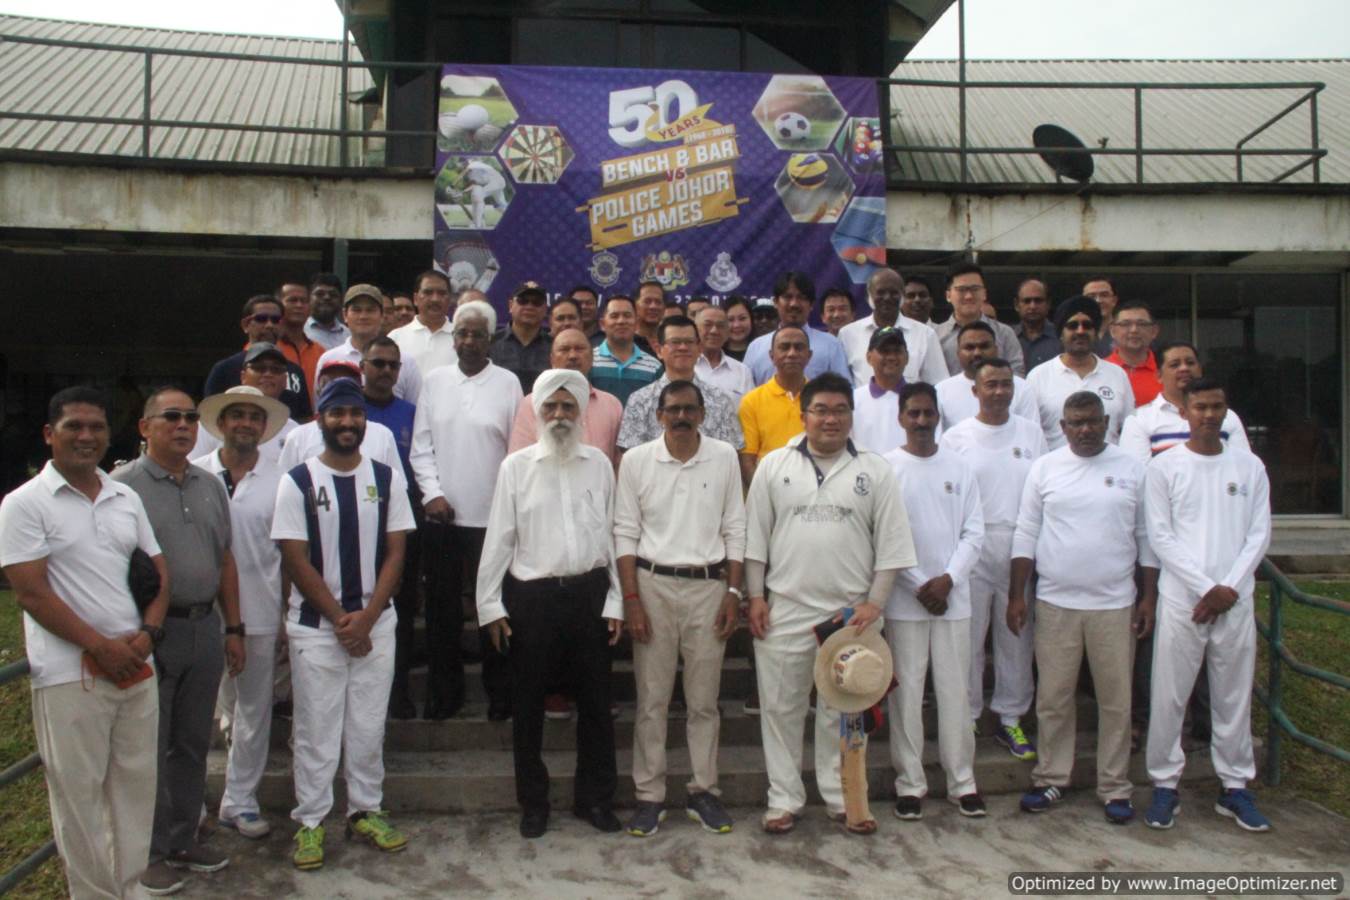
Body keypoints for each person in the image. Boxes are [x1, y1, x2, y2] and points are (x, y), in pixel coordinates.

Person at [0, 387, 168, 900]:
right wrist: (100, 646)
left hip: (136, 666)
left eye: (96, 427)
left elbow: (158, 571)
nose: (86, 436)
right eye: (73, 426)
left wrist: (147, 635)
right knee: (79, 800)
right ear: (49, 434)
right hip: (69, 675)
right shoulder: (24, 504)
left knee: (135, 790)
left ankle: (130, 888)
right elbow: (31, 592)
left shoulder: (124, 496)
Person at [744, 372, 917, 834]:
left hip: (851, 614)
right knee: (780, 709)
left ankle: (842, 798)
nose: (830, 419)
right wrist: (756, 596)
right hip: (785, 607)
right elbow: (754, 537)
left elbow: (893, 543)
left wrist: (875, 603)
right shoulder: (774, 464)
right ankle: (783, 799)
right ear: (804, 415)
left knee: (842, 712)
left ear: (851, 417)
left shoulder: (874, 470)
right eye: (820, 410)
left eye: (840, 410)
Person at [272, 378, 416, 870]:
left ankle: (365, 811)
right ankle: (311, 820)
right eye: (337, 414)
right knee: (316, 727)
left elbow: (397, 552)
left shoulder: (387, 478)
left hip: (376, 624)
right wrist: (340, 620)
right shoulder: (297, 481)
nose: (347, 422)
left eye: (355, 414)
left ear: (365, 421)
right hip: (317, 627)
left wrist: (368, 617)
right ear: (321, 420)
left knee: (368, 724)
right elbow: (295, 558)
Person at [476, 369, 625, 839]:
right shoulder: (516, 467)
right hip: (532, 600)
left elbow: (611, 535)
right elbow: (500, 538)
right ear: (538, 413)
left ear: (580, 413)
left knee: (596, 705)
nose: (559, 415)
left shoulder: (599, 464)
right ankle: (533, 804)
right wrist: (490, 605)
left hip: (589, 595)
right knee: (528, 707)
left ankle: (595, 800)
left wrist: (617, 600)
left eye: (568, 407)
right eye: (551, 407)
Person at [113, 388, 244, 893]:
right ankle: (148, 853)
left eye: (191, 417)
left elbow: (225, 558)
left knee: (191, 742)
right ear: (145, 427)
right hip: (152, 632)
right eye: (171, 417)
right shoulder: (122, 488)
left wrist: (233, 627)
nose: (184, 425)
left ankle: (184, 837)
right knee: (148, 744)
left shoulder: (210, 484)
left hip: (203, 627)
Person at [1008, 391, 1158, 824]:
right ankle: (1051, 777)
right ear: (1063, 427)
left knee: (1116, 702)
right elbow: (1026, 532)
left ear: (1107, 421)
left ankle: (1114, 786)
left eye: (1093, 421)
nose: (1086, 429)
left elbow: (1146, 537)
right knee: (1054, 698)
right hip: (1056, 602)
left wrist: (1148, 597)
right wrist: (1017, 594)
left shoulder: (1133, 469)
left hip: (1115, 604)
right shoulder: (1045, 468)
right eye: (1076, 423)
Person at [615, 380, 745, 837]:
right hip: (651, 585)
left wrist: (734, 593)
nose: (682, 417)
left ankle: (703, 790)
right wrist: (631, 600)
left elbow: (736, 528)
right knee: (651, 700)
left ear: (703, 414)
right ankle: (649, 796)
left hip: (709, 588)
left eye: (690, 409)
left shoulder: (724, 457)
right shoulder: (636, 461)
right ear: (659, 416)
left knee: (704, 701)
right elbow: (625, 533)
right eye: (673, 410)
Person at [1142, 377, 1272, 832]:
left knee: (1233, 695)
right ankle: (1164, 784)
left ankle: (1234, 786)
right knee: (1170, 694)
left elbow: (1259, 533)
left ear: (1226, 411)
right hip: (1184, 600)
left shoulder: (1249, 466)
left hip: (1234, 601)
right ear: (1185, 412)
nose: (1210, 415)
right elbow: (1160, 536)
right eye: (1201, 407)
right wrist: (1204, 588)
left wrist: (1227, 588)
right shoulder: (1164, 467)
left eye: (1217, 407)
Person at [411, 299, 522, 720]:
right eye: (462, 333)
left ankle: (501, 695)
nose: (469, 341)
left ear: (491, 339)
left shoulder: (508, 383)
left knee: (495, 608)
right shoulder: (434, 382)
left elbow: (517, 450)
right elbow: (421, 447)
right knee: (442, 611)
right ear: (453, 339)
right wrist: (431, 494)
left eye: (477, 334)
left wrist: (508, 507)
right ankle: (445, 695)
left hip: (494, 519)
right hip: (443, 517)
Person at [883, 382, 986, 820]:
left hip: (953, 600)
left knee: (955, 692)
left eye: (928, 413)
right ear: (901, 418)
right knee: (906, 695)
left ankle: (962, 782)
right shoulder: (887, 469)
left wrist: (948, 580)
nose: (922, 421)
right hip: (905, 601)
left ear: (938, 417)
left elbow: (975, 532)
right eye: (914, 413)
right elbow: (884, 536)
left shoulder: (960, 467)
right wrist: (920, 585)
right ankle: (910, 783)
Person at [191, 386, 289, 841]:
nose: (246, 423)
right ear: (221, 423)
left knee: (253, 710)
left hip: (259, 610)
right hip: (198, 613)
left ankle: (240, 801)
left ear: (264, 428)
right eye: (238, 416)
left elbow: (289, 553)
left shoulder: (281, 480)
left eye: (254, 417)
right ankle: (189, 805)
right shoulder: (193, 474)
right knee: (198, 712)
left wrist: (286, 611)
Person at [942, 359, 1047, 761]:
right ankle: (967, 715)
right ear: (976, 390)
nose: (1000, 391)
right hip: (973, 544)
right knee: (968, 637)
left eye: (1006, 384)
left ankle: (1011, 717)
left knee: (1016, 635)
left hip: (1019, 543)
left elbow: (1042, 490)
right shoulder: (956, 437)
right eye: (991, 385)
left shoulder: (1031, 433)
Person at [359, 338, 422, 719]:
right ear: (362, 366)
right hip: (356, 524)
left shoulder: (411, 413)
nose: (385, 371)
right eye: (378, 363)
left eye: (392, 365)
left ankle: (397, 692)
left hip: (401, 522)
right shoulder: (349, 412)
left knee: (401, 609)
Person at [617, 315, 743, 456]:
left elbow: (731, 452)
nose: (683, 347)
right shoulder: (639, 400)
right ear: (658, 350)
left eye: (689, 342)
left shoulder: (721, 400)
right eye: (675, 342)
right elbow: (631, 456)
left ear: (699, 348)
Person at [1025, 295, 1134, 450]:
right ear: (1061, 333)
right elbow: (1029, 433)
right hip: (1055, 464)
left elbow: (1129, 430)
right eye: (1072, 325)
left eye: (1087, 325)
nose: (1080, 331)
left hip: (1109, 464)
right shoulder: (1038, 376)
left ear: (1095, 332)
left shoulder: (1117, 374)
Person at [1119, 342, 1250, 464]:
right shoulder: (1139, 419)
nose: (1184, 368)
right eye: (1175, 365)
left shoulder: (1227, 416)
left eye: (1190, 363)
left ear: (1200, 370)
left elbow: (1244, 465)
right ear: (1158, 375)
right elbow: (1137, 473)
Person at [510, 327, 623, 466]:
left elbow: (618, 464)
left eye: (579, 349)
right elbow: (520, 460)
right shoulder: (531, 403)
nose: (572, 356)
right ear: (552, 359)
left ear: (592, 358)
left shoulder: (611, 405)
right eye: (564, 349)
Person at [278, 361, 402, 475]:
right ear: (318, 388)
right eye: (330, 382)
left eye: (348, 381)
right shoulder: (297, 437)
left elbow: (397, 484)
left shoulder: (383, 435)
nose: (339, 387)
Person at [204, 296, 312, 422]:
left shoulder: (295, 371)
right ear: (246, 325)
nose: (269, 325)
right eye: (261, 319)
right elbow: (210, 415)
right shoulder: (224, 369)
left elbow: (304, 419)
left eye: (275, 320)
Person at [192, 343, 299, 465]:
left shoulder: (293, 432)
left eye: (276, 369)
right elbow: (192, 470)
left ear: (285, 380)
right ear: (243, 376)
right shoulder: (209, 424)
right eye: (259, 368)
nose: (268, 374)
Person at [838, 268, 946, 388]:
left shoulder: (925, 334)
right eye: (880, 292)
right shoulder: (847, 334)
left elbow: (938, 385)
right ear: (869, 296)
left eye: (894, 292)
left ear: (903, 296)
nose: (887, 297)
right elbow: (842, 385)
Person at [316, 285, 423, 403]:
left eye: (370, 310)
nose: (363, 316)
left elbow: (414, 409)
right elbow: (319, 406)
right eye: (357, 310)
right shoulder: (329, 360)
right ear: (345, 315)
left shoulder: (405, 362)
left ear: (382, 315)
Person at [742, 273, 851, 385]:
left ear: (811, 304)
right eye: (787, 297)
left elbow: (845, 390)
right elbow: (745, 390)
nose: (794, 304)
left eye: (801, 297)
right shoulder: (756, 348)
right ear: (775, 302)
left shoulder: (831, 345)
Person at [738, 324, 811, 486]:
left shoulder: (820, 398)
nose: (792, 353)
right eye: (784, 347)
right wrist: (762, 494)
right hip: (768, 486)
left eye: (799, 348)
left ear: (809, 355)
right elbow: (747, 459)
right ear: (772, 355)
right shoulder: (752, 401)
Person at [935, 322, 1039, 433]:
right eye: (969, 347)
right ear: (958, 353)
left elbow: (1031, 434)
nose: (977, 353)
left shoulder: (1022, 388)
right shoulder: (941, 391)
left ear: (996, 350)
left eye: (984, 346)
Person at [932, 262, 1026, 376]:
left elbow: (1017, 374)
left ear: (984, 294)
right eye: (961, 289)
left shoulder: (1004, 333)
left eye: (975, 289)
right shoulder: (935, 336)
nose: (969, 296)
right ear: (948, 295)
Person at [589, 294, 663, 406]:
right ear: (602, 324)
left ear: (636, 323)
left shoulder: (654, 366)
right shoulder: (589, 361)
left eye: (627, 315)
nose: (621, 321)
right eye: (614, 316)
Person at [850, 327, 908, 454]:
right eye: (884, 351)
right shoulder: (852, 400)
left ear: (907, 357)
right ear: (869, 357)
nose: (891, 357)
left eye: (897, 351)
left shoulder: (920, 400)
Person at [389, 270, 458, 375]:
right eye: (428, 292)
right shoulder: (395, 338)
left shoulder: (462, 338)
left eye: (441, 293)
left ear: (449, 300)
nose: (435, 299)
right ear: (415, 299)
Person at [490, 281, 553, 394]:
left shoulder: (554, 347)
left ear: (545, 310)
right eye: (523, 301)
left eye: (537, 302)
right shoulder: (491, 343)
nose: (529, 306)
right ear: (510, 306)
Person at [1104, 300, 1161, 407]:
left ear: (1154, 331)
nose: (1134, 330)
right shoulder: (1099, 370)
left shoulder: (1166, 371)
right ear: (1112, 331)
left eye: (1142, 324)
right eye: (1125, 324)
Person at [693, 305, 754, 404]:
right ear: (695, 329)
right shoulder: (684, 366)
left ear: (727, 332)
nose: (714, 331)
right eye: (707, 325)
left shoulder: (742, 371)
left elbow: (750, 408)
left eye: (720, 326)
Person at [276, 280, 325, 402]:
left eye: (304, 301)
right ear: (278, 305)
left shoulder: (320, 352)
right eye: (292, 300)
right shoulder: (267, 348)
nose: (299, 305)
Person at [1013, 278, 1061, 372]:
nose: (1033, 306)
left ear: (1048, 304)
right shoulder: (1008, 338)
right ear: (1016, 305)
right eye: (1027, 301)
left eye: (1038, 301)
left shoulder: (1061, 337)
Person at [304, 273, 350, 350]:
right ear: (308, 298)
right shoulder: (300, 332)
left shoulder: (349, 336)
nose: (327, 297)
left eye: (333, 294)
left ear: (341, 300)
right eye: (320, 294)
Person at [1082, 276, 1119, 356]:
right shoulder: (1074, 332)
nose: (1098, 300)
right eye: (1091, 296)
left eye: (1104, 295)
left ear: (1114, 300)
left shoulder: (1126, 331)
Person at [634, 281, 665, 354]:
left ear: (664, 308)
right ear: (635, 306)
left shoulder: (670, 343)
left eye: (658, 302)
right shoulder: (626, 342)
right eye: (647, 301)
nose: (653, 306)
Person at [722, 296, 754, 361]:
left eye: (742, 318)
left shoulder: (763, 350)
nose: (736, 325)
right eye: (730, 320)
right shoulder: (714, 353)